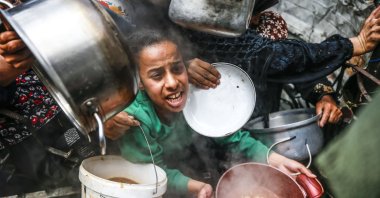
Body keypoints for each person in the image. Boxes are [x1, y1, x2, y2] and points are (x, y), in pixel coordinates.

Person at [106, 28, 317, 198]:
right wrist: (197, 187)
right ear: (139, 83)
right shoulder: (136, 119)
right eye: (157, 75)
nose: (172, 83)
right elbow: (152, 173)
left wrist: (273, 158)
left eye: (177, 69)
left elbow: (232, 138)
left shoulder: (193, 96)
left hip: (182, 163)